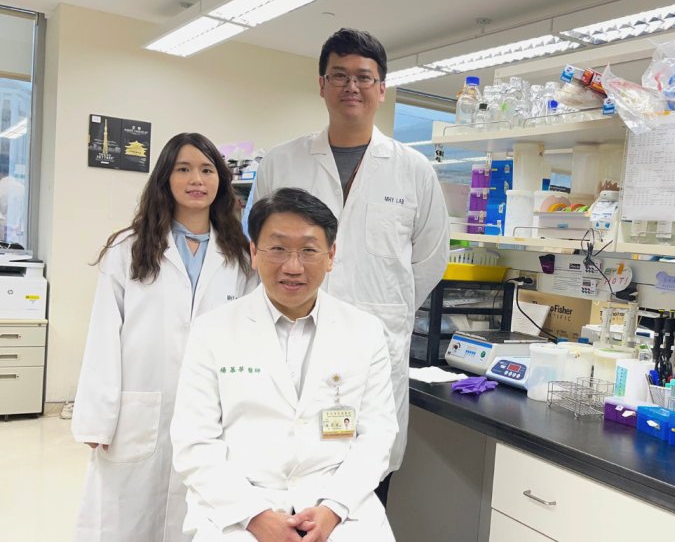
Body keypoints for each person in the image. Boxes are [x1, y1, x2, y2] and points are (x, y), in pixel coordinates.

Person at [243, 27, 450, 503]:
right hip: (287, 344)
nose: (350, 87)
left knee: (365, 484)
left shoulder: (414, 170)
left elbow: (431, 258)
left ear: (381, 89)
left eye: (363, 77)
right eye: (339, 75)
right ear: (321, 85)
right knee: (282, 482)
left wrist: (386, 310)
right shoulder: (281, 161)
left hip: (374, 352)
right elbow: (257, 245)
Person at [171, 187, 398, 542]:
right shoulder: (212, 331)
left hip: (337, 506)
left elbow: (378, 436)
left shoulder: (365, 332)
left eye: (309, 250)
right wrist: (255, 516)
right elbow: (194, 441)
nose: (293, 267)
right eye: (277, 249)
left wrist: (332, 509)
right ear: (254, 252)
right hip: (240, 504)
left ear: (330, 255)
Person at [72, 132, 258, 542]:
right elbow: (103, 335)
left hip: (214, 410)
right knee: (127, 517)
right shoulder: (129, 249)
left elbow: (249, 336)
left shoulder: (241, 257)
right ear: (165, 179)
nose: (197, 179)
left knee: (196, 519)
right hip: (138, 408)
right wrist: (97, 419)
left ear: (221, 182)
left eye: (207, 170)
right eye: (184, 169)